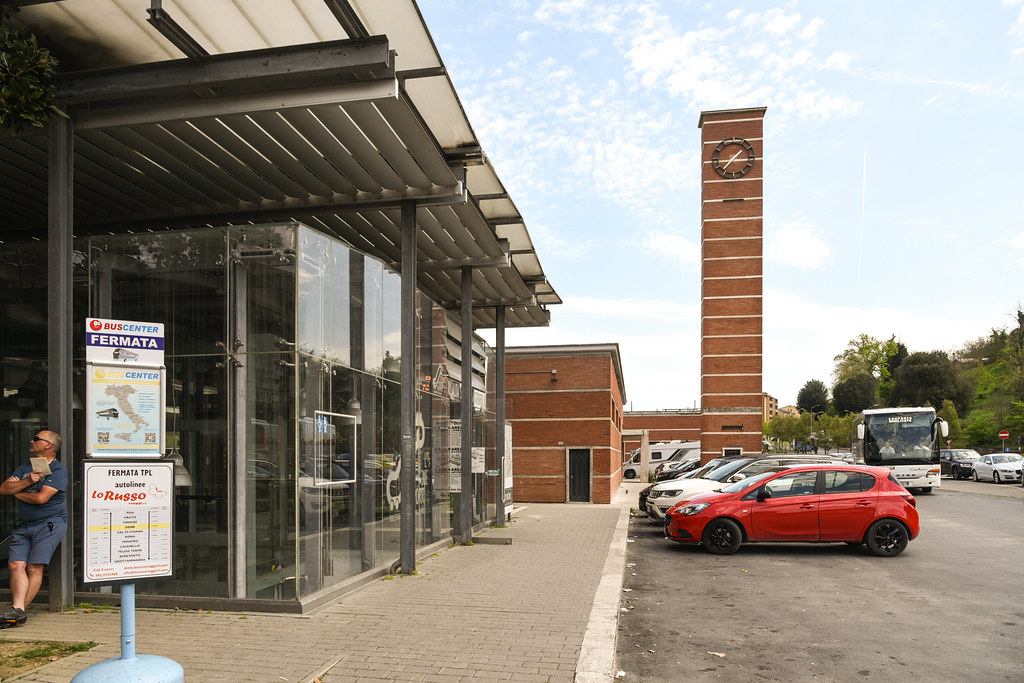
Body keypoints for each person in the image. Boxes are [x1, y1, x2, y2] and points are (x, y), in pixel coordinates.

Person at [0, 429, 67, 629]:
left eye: (36, 439)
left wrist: (17, 491)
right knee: (15, 566)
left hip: (49, 524)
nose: (31, 441)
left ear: (48, 445)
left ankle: (17, 611)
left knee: (33, 567)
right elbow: (3, 489)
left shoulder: (58, 470)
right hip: (24, 526)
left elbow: (40, 498)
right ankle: (17, 612)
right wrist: (28, 481)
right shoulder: (25, 468)